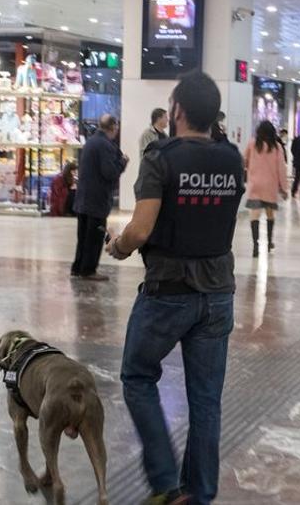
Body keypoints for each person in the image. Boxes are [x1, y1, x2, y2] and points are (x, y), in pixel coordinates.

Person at [105, 71, 245, 505]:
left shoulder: (160, 156)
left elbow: (142, 228)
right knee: (206, 400)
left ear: (178, 111)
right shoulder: (231, 158)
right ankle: (199, 494)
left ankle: (166, 483)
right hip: (218, 291)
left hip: (169, 291)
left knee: (137, 374)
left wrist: (118, 246)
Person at [72, 114, 127, 281]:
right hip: (96, 200)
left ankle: (78, 268)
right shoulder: (105, 145)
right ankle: (89, 270)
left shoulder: (91, 141)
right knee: (94, 237)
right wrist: (123, 163)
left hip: (83, 199)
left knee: (83, 237)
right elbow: (109, 172)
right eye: (116, 127)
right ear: (113, 127)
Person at [244, 121, 289, 256]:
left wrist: (249, 169)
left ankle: (255, 246)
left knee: (254, 215)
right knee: (270, 215)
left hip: (255, 184)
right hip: (270, 185)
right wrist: (284, 188)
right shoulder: (277, 147)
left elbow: (245, 160)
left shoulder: (252, 144)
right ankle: (269, 242)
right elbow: (281, 168)